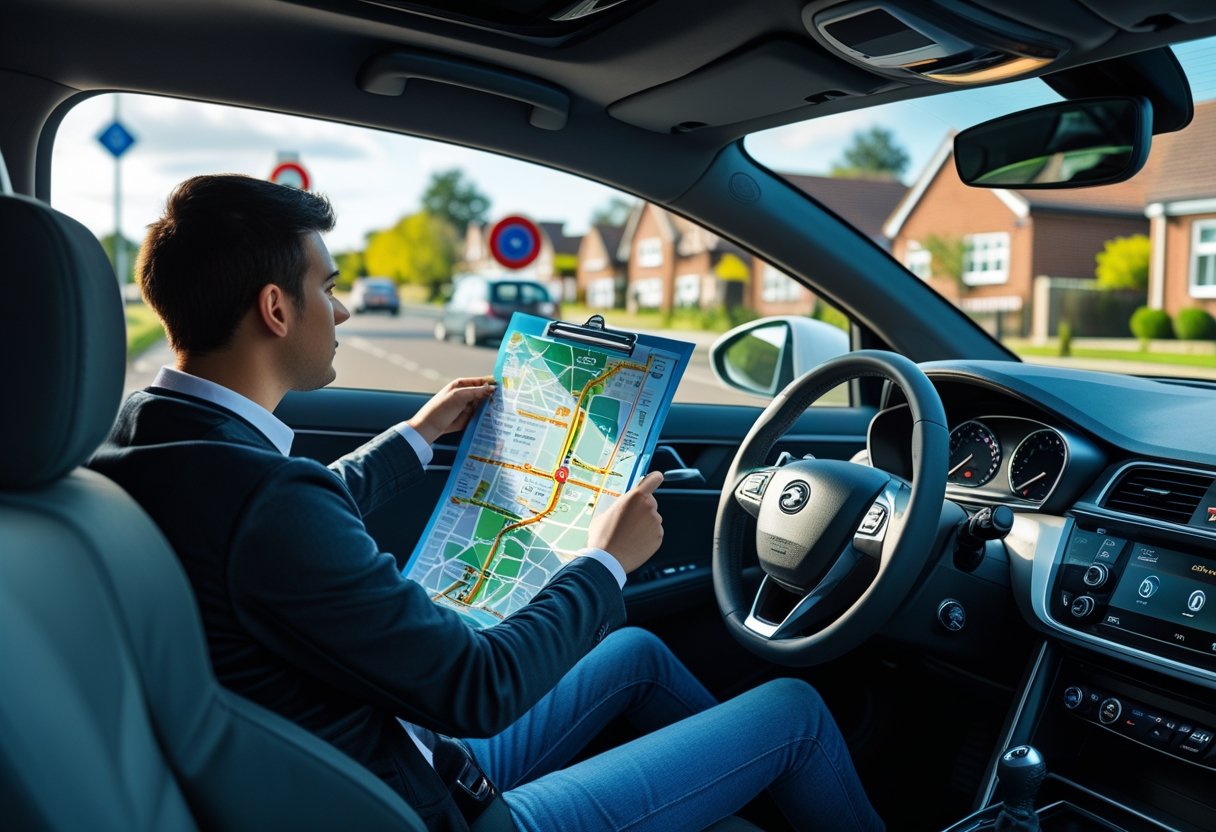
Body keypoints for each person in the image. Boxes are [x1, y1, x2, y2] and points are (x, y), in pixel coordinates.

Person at [90, 174, 884, 832]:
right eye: (327, 289)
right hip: (435, 809)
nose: (343, 310)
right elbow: (481, 686)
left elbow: (291, 520)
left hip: (383, 756)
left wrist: (415, 436)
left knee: (637, 655)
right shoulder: (265, 499)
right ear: (273, 309)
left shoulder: (147, 442)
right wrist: (606, 560)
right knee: (796, 710)